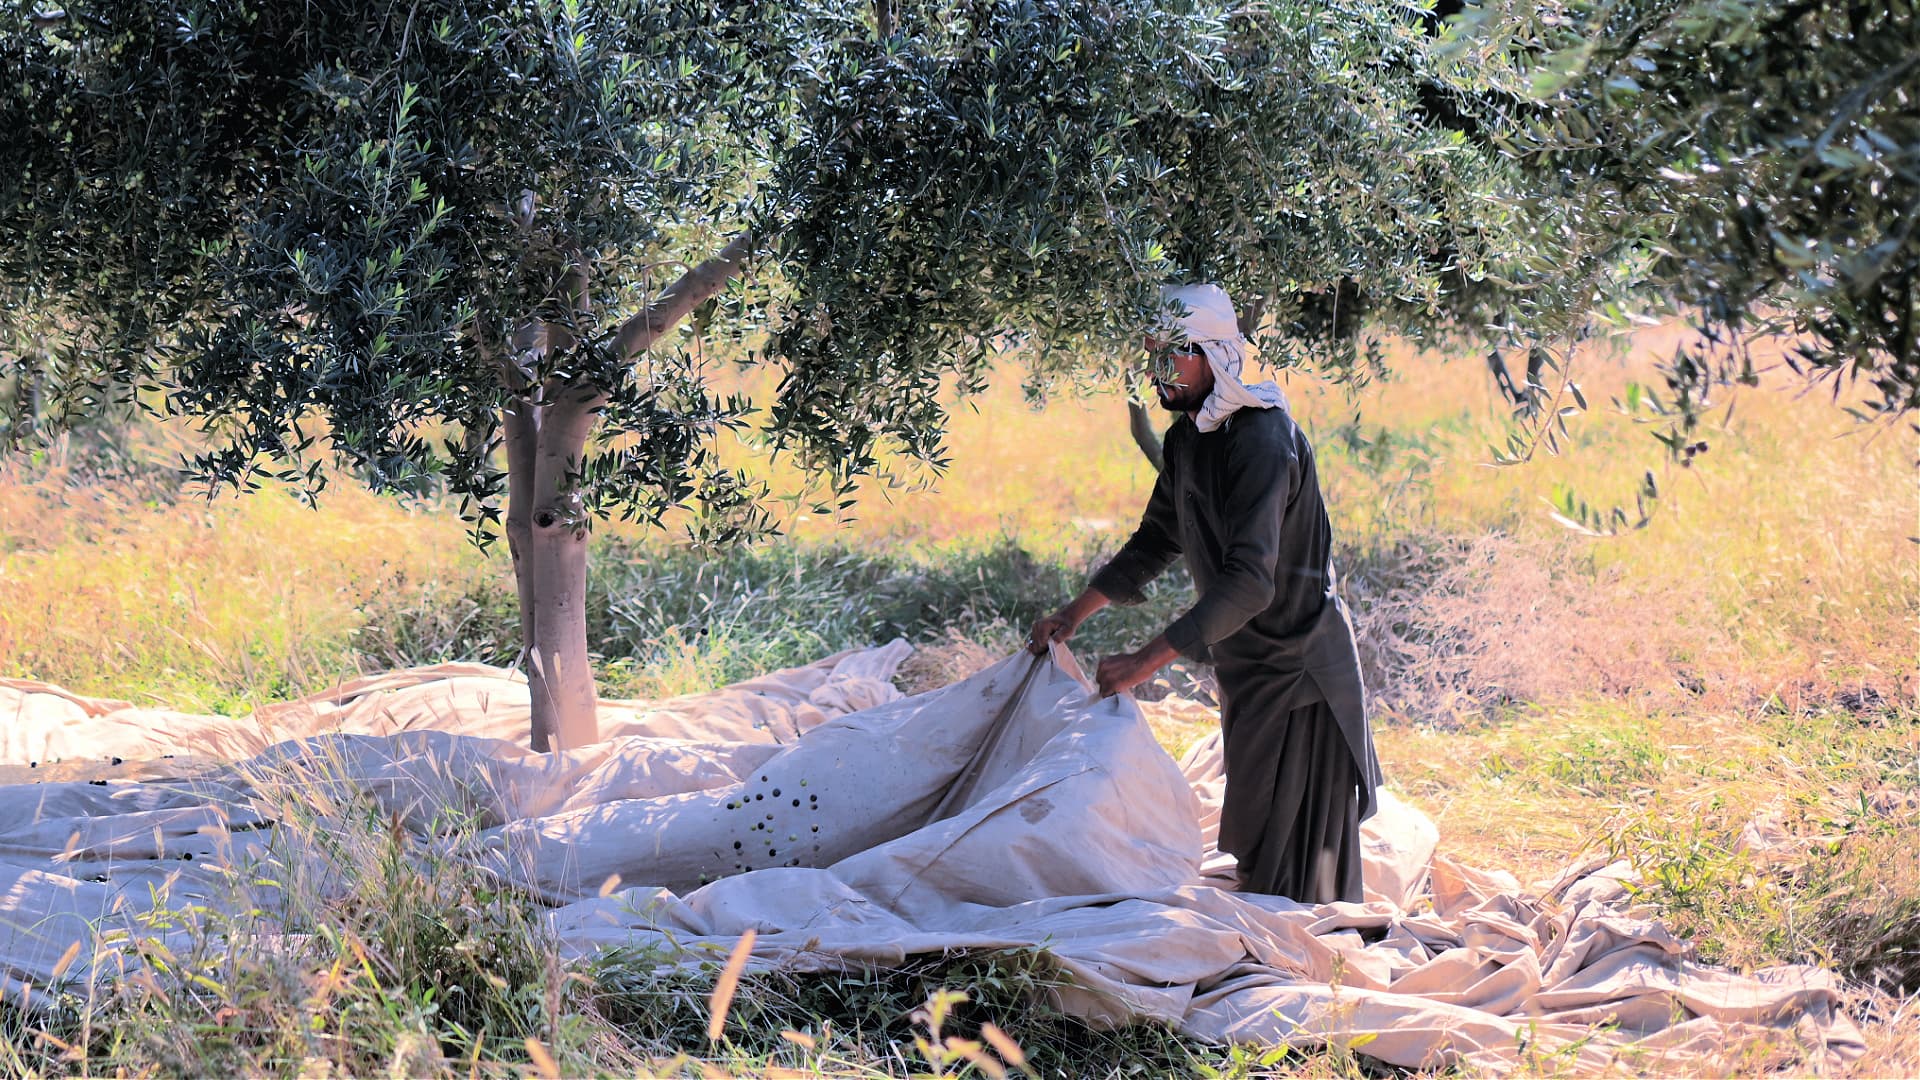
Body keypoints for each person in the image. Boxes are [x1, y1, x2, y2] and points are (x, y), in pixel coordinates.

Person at [1028, 283, 1381, 904]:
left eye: (1173, 355)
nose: (1158, 371)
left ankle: (1316, 954)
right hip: (1245, 665)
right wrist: (1073, 614)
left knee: (1302, 874)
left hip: (1301, 668)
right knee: (1256, 837)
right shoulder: (1189, 437)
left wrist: (1145, 662)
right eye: (1152, 355)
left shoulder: (1262, 438)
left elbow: (1249, 582)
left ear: (1214, 354)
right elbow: (1156, 539)